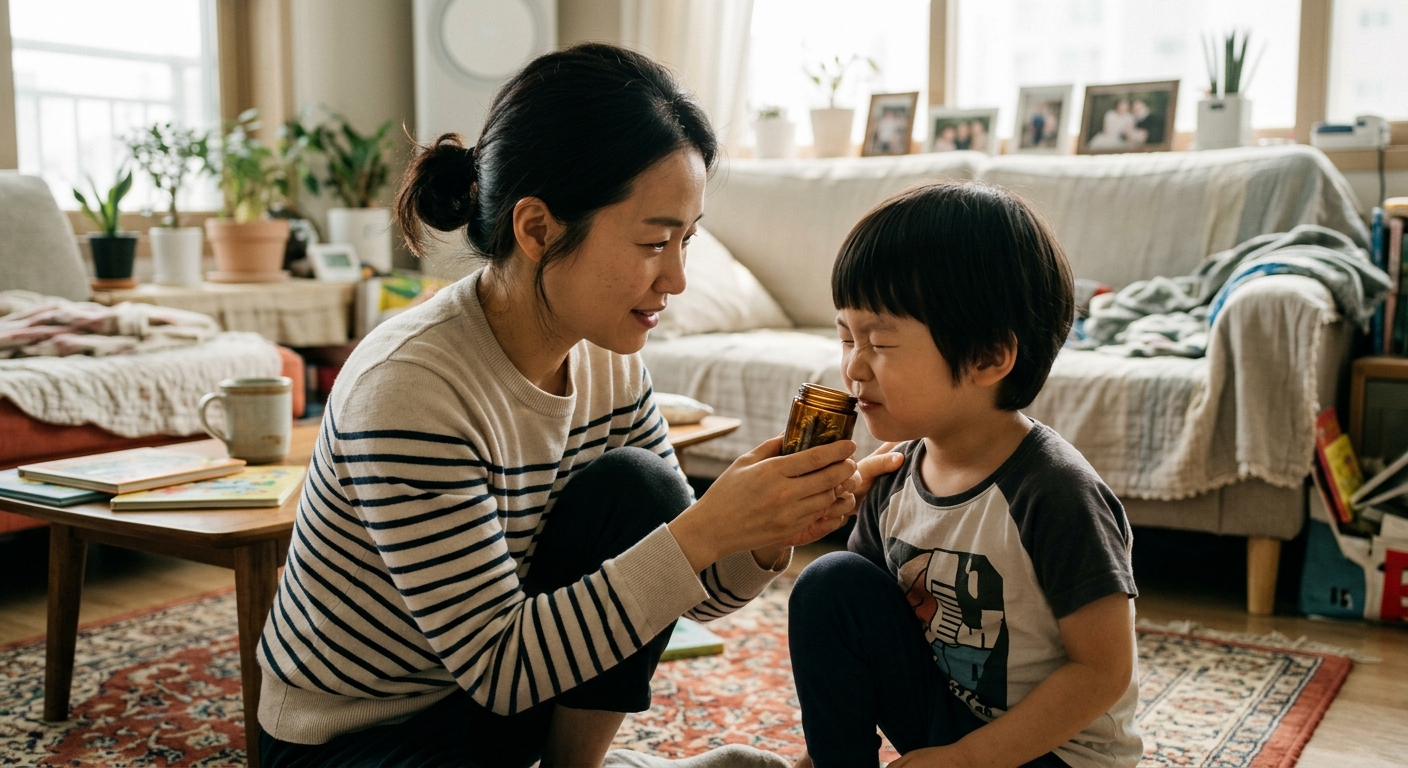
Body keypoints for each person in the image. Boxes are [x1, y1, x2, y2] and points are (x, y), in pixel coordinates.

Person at [255, 43, 889, 768]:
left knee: (639, 488)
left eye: (688, 239)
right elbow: (499, 665)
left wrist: (766, 531)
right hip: (356, 740)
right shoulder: (410, 389)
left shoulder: (610, 363)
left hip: (498, 714)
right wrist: (704, 530)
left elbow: (688, 593)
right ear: (537, 229)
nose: (677, 277)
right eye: (655, 240)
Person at [788, 182, 1142, 768]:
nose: (852, 366)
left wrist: (970, 760)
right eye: (846, 336)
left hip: (1054, 754)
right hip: (951, 728)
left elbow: (1104, 670)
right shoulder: (894, 478)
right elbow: (863, 641)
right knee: (831, 582)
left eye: (878, 342)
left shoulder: (1054, 493)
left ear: (986, 358)